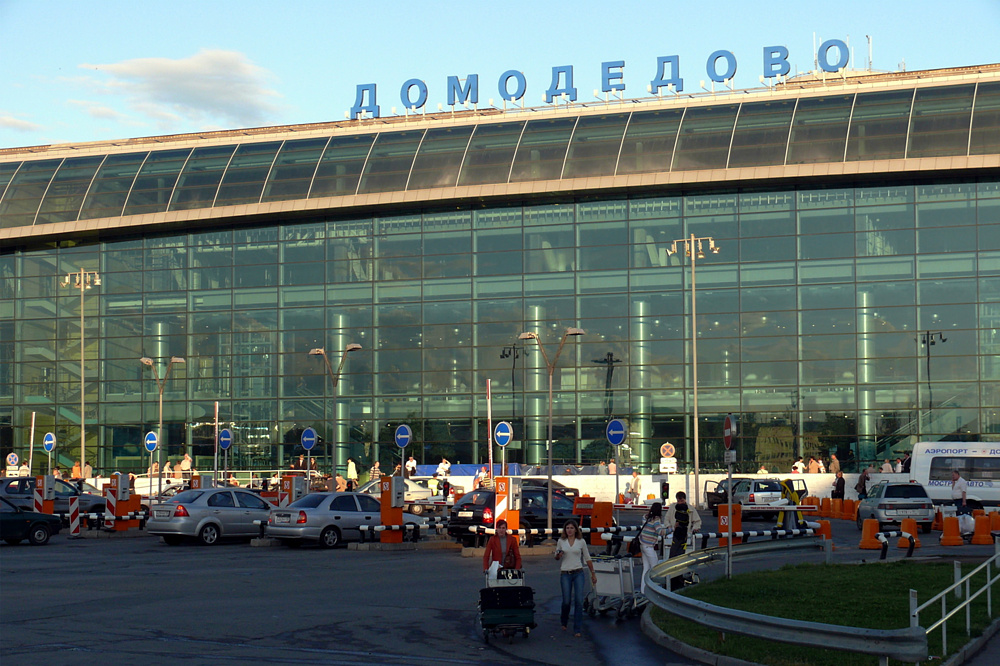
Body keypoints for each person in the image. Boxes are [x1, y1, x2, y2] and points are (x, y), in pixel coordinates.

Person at [554, 519, 596, 637]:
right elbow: (556, 557)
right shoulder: (561, 541)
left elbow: (587, 558)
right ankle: (564, 620)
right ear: (565, 530)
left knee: (578, 601)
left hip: (578, 572)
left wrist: (593, 573)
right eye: (567, 528)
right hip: (565, 573)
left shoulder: (581, 541)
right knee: (566, 601)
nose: (569, 530)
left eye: (572, 528)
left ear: (576, 529)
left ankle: (577, 628)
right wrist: (558, 555)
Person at [664, 491, 701, 590]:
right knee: (673, 559)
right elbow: (666, 519)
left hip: (685, 536)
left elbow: (697, 521)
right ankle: (672, 581)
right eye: (678, 501)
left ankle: (679, 581)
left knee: (681, 559)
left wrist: (694, 529)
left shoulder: (690, 509)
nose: (680, 502)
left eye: (682, 500)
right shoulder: (672, 508)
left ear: (684, 499)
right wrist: (670, 528)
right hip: (674, 535)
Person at [637, 502, 667, 594]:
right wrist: (672, 529)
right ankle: (655, 591)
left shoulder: (646, 517)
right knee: (654, 569)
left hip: (642, 544)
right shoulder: (656, 519)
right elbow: (660, 531)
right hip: (649, 546)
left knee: (646, 568)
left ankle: (643, 590)